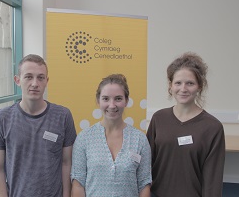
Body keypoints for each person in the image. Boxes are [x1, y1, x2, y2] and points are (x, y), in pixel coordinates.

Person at [0, 54, 77, 197]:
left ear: (47, 81)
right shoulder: (2, 118)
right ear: (17, 80)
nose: (35, 83)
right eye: (28, 77)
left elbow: (67, 163)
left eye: (40, 78)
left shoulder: (63, 116)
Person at [146, 52, 225, 197]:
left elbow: (213, 179)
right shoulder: (159, 119)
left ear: (199, 86)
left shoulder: (213, 127)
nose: (183, 89)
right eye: (178, 83)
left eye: (190, 83)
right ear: (170, 86)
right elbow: (146, 165)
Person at [71, 74, 152, 197]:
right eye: (106, 99)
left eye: (118, 98)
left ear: (126, 101)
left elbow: (144, 184)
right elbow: (78, 184)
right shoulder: (84, 138)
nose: (112, 105)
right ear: (98, 101)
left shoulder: (140, 139)